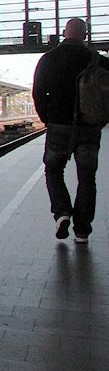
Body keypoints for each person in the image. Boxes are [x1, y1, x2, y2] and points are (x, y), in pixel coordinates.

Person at [33, 18, 109, 244]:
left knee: (53, 171)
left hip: (58, 126)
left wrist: (47, 119)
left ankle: (62, 212)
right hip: (89, 127)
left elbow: (38, 92)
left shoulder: (49, 59)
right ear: (85, 35)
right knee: (87, 178)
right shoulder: (98, 61)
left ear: (64, 33)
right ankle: (82, 231)